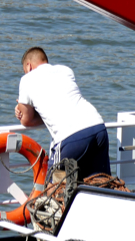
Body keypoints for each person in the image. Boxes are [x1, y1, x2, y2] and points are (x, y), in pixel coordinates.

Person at [14, 46, 111, 177]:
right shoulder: (66, 70)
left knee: (53, 188)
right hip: (98, 127)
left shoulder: (27, 79)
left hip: (70, 137)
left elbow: (26, 120)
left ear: (29, 66)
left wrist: (20, 109)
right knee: (101, 183)